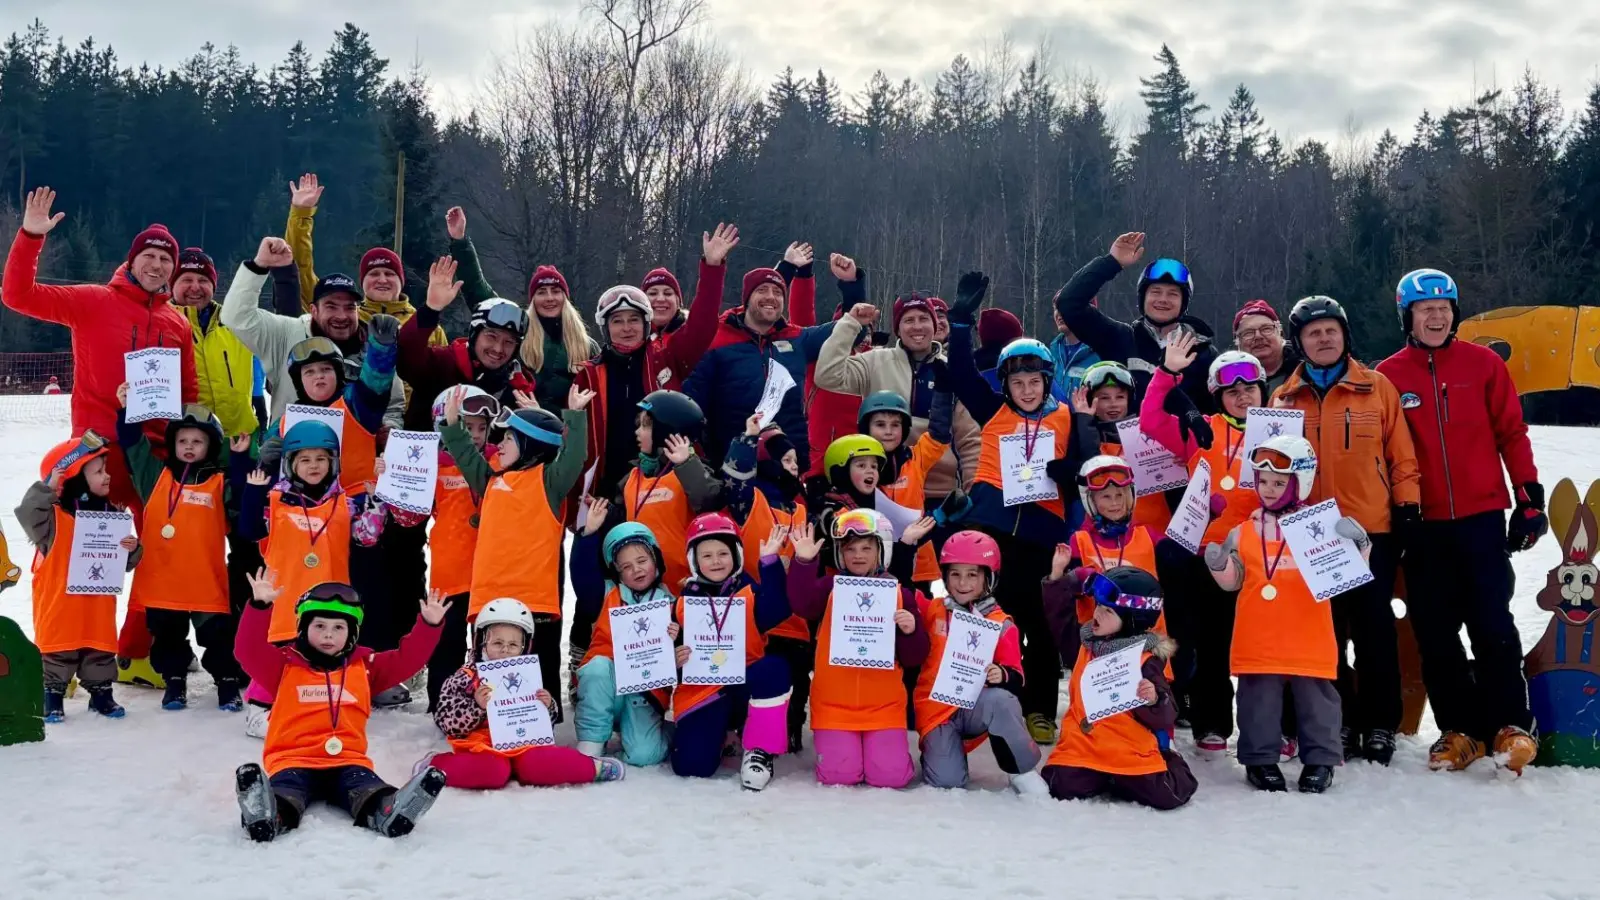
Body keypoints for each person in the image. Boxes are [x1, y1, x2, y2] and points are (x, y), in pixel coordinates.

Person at [1377, 268, 1547, 773]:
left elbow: (1512, 433)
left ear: (1454, 314)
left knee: (1493, 623)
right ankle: (1459, 730)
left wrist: (1530, 498)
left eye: (1444, 308)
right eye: (1425, 310)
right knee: (1435, 631)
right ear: (1407, 317)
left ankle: (1510, 725)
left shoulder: (1484, 364)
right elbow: (1381, 453)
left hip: (1481, 518)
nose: (1435, 316)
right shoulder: (1388, 375)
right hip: (1422, 525)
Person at [945, 272, 1099, 743]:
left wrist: (1067, 468)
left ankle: (1038, 710)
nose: (1027, 390)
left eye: (1035, 381)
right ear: (1006, 384)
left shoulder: (1066, 415)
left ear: (1047, 381)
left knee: (1037, 623)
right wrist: (959, 322)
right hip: (990, 527)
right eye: (1018, 382)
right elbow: (959, 375)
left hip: (1040, 533)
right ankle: (973, 702)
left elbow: (1088, 465)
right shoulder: (993, 408)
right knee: (987, 618)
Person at [1273, 295, 1419, 764]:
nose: (1323, 338)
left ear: (1344, 335)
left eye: (1331, 330)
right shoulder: (1284, 397)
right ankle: (1335, 722)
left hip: (1369, 528)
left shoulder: (1376, 387)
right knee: (1324, 636)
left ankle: (1379, 723)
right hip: (1311, 533)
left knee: (1374, 631)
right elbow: (1271, 468)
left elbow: (1402, 454)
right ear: (1299, 342)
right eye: (1313, 333)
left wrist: (1408, 505)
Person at [3, 189, 198, 498]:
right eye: (148, 256)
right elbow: (17, 295)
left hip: (153, 458)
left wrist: (190, 445)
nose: (156, 265)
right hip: (97, 452)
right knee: (94, 544)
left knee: (162, 545)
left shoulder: (178, 323)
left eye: (165, 259)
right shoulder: (94, 301)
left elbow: (188, 394)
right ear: (132, 261)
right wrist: (30, 237)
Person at [231, 573, 448, 842]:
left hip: (347, 759)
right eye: (319, 626)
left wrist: (428, 625)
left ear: (352, 632)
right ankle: (267, 815)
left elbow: (408, 659)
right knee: (286, 790)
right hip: (293, 759)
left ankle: (389, 810)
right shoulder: (284, 665)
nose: (328, 635)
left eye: (338, 628)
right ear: (303, 628)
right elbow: (247, 650)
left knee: (367, 787)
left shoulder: (366, 667)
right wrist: (260, 606)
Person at [1204, 436, 1367, 794]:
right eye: (1263, 481)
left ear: (1300, 484)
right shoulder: (1242, 530)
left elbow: (1345, 578)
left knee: (1317, 699)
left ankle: (1321, 760)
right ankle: (1260, 759)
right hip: (1258, 633)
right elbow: (1234, 582)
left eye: (1279, 482)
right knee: (1258, 698)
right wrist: (1219, 565)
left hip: (1307, 631)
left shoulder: (1320, 527)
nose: (1269, 489)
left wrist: (1360, 547)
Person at [1140, 336, 1274, 751]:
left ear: (1262, 391)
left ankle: (1234, 722)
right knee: (1187, 636)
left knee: (1229, 641)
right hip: (1198, 551)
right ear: (1218, 396)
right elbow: (1149, 421)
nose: (1241, 396)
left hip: (1251, 553)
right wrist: (1165, 373)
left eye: (1249, 388)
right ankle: (1194, 716)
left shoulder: (1277, 429)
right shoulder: (1203, 429)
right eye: (1232, 391)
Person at [233, 420, 393, 734]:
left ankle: (316, 711)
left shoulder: (345, 504)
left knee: (321, 662)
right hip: (284, 603)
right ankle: (260, 707)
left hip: (328, 606)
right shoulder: (275, 502)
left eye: (321, 459)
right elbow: (250, 531)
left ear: (333, 463)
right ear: (291, 465)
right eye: (304, 460)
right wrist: (252, 493)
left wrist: (377, 499)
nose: (313, 466)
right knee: (279, 662)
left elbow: (368, 537)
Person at [443, 387, 592, 717]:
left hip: (533, 601)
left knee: (538, 671)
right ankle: (486, 722)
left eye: (509, 439)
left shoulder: (549, 482)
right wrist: (453, 427)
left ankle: (544, 720)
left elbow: (573, 458)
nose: (501, 445)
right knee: (489, 667)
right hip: (489, 599)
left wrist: (575, 418)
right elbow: (467, 457)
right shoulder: (491, 479)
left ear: (530, 446)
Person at [115, 397, 263, 712]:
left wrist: (239, 460)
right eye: (183, 440)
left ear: (212, 446)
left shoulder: (219, 482)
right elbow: (133, 445)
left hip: (205, 581)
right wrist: (127, 410)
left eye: (198, 440)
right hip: (162, 581)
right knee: (168, 638)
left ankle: (225, 681)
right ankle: (175, 681)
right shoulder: (153, 477)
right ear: (172, 444)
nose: (190, 446)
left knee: (219, 637)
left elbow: (242, 496)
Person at [576, 224, 732, 500]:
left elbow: (702, 326)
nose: (627, 328)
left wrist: (712, 266)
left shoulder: (665, 358)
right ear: (606, 328)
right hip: (604, 491)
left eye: (634, 320)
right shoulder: (588, 374)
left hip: (661, 483)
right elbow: (576, 439)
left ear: (646, 324)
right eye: (618, 321)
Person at [812, 255, 981, 505]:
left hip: (940, 492)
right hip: (882, 487)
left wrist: (973, 494)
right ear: (897, 328)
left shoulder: (952, 371)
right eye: (908, 320)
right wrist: (850, 323)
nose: (917, 327)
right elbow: (827, 375)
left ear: (934, 326)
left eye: (924, 319)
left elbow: (970, 441)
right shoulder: (876, 361)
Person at [786, 512, 933, 787]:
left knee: (890, 777)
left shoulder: (899, 593)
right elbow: (801, 603)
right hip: (834, 708)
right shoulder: (831, 588)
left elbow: (915, 657)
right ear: (841, 553)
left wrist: (911, 630)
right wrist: (804, 562)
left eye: (867, 547)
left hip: (884, 708)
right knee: (838, 776)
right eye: (850, 548)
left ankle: (890, 753)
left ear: (881, 550)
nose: (858, 555)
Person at [1040, 564, 1195, 810]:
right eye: (1099, 607)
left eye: (1108, 611)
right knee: (1060, 785)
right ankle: (1106, 777)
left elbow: (1167, 714)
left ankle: (1170, 758)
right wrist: (1056, 580)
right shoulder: (1084, 644)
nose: (1097, 614)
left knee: (1167, 796)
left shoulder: (1146, 660)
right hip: (1085, 743)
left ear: (1133, 620)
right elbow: (1059, 620)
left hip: (1128, 747)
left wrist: (1154, 699)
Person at [427, 598, 626, 789]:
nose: (505, 650)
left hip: (524, 744)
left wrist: (547, 707)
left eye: (513, 645)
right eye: (497, 643)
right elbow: (446, 720)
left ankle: (592, 768)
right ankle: (435, 767)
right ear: (482, 642)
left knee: (538, 765)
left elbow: (540, 723)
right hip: (482, 747)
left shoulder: (528, 676)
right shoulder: (466, 676)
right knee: (494, 771)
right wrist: (475, 707)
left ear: (525, 647)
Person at [18, 434, 143, 722]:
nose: (107, 476)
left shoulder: (111, 516)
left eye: (105, 469)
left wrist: (132, 548)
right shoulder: (51, 521)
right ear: (73, 478)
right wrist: (48, 488)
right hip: (60, 605)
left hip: (97, 607)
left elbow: (123, 563)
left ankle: (101, 692)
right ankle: (52, 693)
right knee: (58, 652)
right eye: (99, 471)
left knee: (99, 650)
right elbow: (28, 512)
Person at [221, 237, 406, 428]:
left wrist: (387, 430)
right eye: (331, 306)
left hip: (360, 454)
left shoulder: (375, 348)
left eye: (349, 307)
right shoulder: (286, 335)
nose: (342, 316)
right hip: (291, 452)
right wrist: (259, 267)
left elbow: (393, 407)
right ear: (314, 310)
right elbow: (236, 317)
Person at [913, 531, 1047, 794]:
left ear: (989, 577)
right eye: (955, 574)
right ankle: (938, 752)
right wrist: (907, 546)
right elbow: (900, 593)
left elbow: (1018, 678)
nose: (963, 583)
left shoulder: (1001, 623)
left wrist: (1002, 675)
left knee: (1003, 700)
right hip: (937, 712)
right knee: (947, 782)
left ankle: (1022, 771)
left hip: (975, 707)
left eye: (972, 574)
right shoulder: (934, 610)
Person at [683, 260, 849, 472]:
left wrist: (851, 284)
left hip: (790, 466)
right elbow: (693, 404)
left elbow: (850, 330)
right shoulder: (718, 339)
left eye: (778, 292)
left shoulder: (797, 339)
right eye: (762, 290)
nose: (771, 296)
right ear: (747, 299)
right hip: (732, 465)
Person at [668, 513, 793, 790]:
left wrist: (770, 563)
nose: (716, 561)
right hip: (704, 692)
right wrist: (674, 660)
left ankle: (759, 749)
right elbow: (669, 660)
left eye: (723, 553)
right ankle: (720, 735)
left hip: (744, 686)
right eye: (707, 555)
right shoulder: (681, 604)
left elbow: (778, 609)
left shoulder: (748, 593)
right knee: (692, 767)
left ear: (736, 555)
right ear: (694, 561)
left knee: (774, 668)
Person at [441, 207, 595, 413]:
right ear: (532, 299)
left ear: (565, 298)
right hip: (519, 428)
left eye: (555, 291)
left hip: (568, 433)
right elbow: (478, 290)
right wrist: (460, 242)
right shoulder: (518, 332)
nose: (549, 298)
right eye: (541, 292)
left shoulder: (586, 345)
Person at [407, 386, 501, 712]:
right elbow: (410, 515)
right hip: (448, 574)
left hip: (489, 573)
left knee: (489, 643)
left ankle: (493, 706)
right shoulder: (432, 463)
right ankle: (442, 703)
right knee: (447, 643)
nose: (475, 435)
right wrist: (390, 478)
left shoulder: (499, 459)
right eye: (466, 427)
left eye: (481, 427)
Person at [721, 418, 811, 751]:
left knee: (796, 682)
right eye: (786, 460)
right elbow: (734, 477)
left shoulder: (802, 509)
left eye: (796, 462)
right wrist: (749, 438)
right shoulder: (750, 501)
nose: (793, 468)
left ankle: (790, 731)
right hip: (759, 619)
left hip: (797, 622)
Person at [1054, 231, 1217, 412]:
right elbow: (1068, 303)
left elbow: (1217, 412)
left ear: (1183, 303)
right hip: (1122, 439)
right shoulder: (1120, 339)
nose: (1163, 299)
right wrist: (1111, 262)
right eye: (1155, 292)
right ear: (1142, 298)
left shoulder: (1203, 353)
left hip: (1182, 439)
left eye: (1172, 294)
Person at [286, 173, 446, 347]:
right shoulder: (345, 317)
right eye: (374, 274)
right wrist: (301, 214)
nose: (382, 279)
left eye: (389, 274)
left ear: (401, 281)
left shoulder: (427, 327)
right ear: (362, 282)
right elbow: (300, 271)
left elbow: (445, 371)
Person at [571, 513, 674, 766]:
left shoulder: (672, 602)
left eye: (641, 561)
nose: (636, 569)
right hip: (609, 683)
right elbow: (583, 580)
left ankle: (666, 733)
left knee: (643, 756)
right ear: (616, 572)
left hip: (644, 692)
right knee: (597, 667)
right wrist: (587, 537)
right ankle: (592, 742)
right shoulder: (607, 593)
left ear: (656, 561)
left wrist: (676, 636)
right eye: (626, 566)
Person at [397, 256, 535, 431]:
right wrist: (430, 309)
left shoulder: (517, 388)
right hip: (424, 454)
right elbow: (405, 355)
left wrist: (532, 422)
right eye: (491, 337)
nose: (498, 349)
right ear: (475, 335)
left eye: (509, 342)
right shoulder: (443, 364)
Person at [1233, 299, 1299, 395]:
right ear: (1237, 341)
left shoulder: (1305, 370)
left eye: (1266, 329)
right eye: (1248, 333)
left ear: (1280, 332)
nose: (1258, 336)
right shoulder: (1228, 378)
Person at [1049, 304, 1102, 401]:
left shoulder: (1100, 355)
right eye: (1056, 309)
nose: (1059, 313)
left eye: (1066, 307)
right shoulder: (1050, 354)